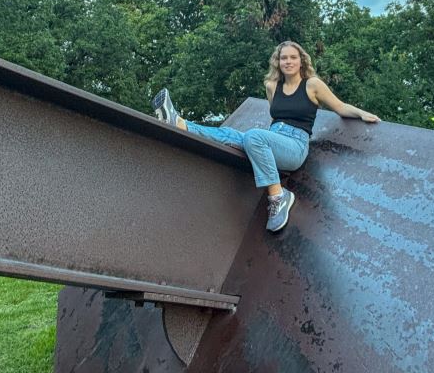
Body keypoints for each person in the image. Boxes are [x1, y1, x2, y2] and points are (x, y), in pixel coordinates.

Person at [152, 40, 380, 233]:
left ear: (302, 61)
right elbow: (275, 118)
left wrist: (361, 113)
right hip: (273, 138)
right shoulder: (272, 86)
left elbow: (339, 107)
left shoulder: (312, 85)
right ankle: (181, 124)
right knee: (230, 134)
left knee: (253, 136)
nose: (288, 62)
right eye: (284, 58)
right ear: (277, 62)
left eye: (293, 57)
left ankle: (278, 197)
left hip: (295, 145)